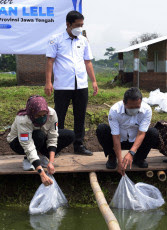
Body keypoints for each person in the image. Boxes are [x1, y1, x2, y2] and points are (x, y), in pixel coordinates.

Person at [45, 10, 98, 156]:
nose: (80, 28)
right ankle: (57, 145)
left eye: (82, 25)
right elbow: (50, 62)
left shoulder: (83, 40)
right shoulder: (55, 39)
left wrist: (93, 81)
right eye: (77, 25)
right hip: (62, 85)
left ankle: (79, 145)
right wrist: (48, 82)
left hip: (81, 85)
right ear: (68, 24)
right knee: (59, 116)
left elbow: (88, 62)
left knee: (80, 115)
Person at [7, 96, 74, 186]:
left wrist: (51, 162)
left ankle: (41, 156)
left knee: (69, 135)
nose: (42, 118)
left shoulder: (52, 114)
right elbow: (27, 145)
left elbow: (53, 137)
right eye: (38, 116)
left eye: (44, 115)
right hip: (18, 143)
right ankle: (29, 159)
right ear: (32, 113)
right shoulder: (23, 120)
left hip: (41, 138)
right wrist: (41, 173)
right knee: (39, 135)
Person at [96, 87, 158, 175]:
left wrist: (131, 153)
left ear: (141, 103)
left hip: (136, 141)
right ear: (124, 103)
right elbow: (116, 135)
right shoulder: (115, 110)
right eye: (131, 107)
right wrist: (120, 161)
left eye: (137, 107)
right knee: (101, 129)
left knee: (153, 132)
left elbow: (141, 133)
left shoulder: (146, 110)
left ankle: (139, 158)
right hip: (119, 141)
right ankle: (112, 157)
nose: (134, 110)